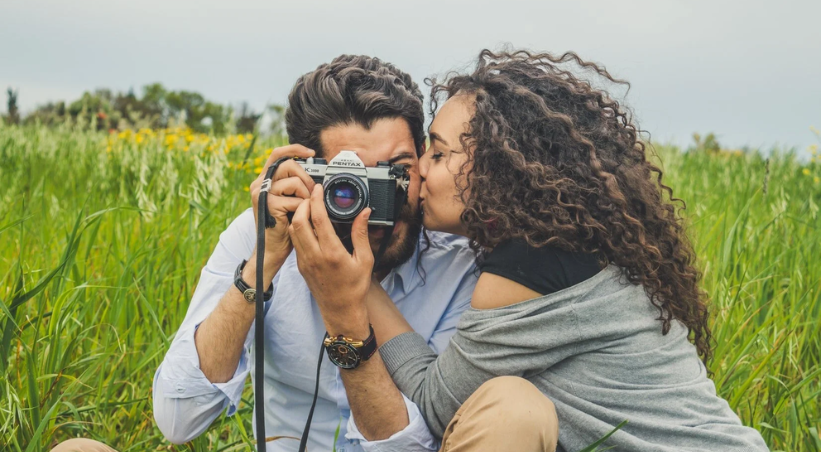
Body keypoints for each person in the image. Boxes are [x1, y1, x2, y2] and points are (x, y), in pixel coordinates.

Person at [302, 50, 770, 452]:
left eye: (439, 156)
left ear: (497, 170)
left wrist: (355, 285)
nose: (419, 172)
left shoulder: (529, 268)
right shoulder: (568, 246)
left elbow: (438, 403)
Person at [51, 55, 478, 452]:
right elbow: (179, 418)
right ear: (304, 174)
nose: (374, 207)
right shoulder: (263, 233)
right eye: (349, 185)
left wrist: (346, 312)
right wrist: (265, 259)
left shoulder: (458, 265)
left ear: (424, 159)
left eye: (397, 173)